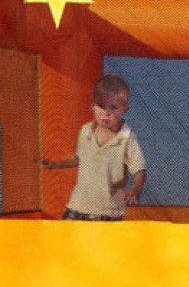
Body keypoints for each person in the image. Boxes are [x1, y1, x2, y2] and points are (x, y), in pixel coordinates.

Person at [38, 73, 146, 220]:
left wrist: (136, 189)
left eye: (113, 108)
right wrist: (56, 164)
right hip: (77, 206)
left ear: (124, 109)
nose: (106, 113)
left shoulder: (127, 138)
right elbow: (79, 158)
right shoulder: (86, 131)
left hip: (108, 212)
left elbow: (139, 170)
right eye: (101, 106)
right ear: (92, 106)